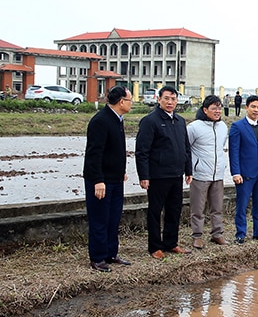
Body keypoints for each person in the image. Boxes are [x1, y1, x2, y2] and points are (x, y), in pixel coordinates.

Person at [135, 85, 193, 259]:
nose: (170, 102)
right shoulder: (150, 121)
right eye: (166, 98)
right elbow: (142, 151)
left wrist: (188, 169)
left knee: (174, 210)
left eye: (173, 99)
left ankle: (171, 243)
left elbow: (186, 148)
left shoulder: (180, 121)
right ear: (158, 99)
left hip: (176, 174)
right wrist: (144, 175)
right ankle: (155, 246)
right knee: (155, 211)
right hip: (158, 175)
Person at [83, 85, 134, 272]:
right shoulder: (101, 121)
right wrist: (98, 180)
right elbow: (94, 154)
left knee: (113, 218)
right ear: (121, 101)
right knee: (100, 219)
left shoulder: (117, 119)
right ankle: (97, 257)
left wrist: (121, 170)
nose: (131, 104)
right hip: (100, 181)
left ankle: (111, 253)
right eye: (130, 101)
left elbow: (115, 151)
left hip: (115, 179)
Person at [228, 95, 258, 242]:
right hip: (245, 174)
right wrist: (235, 172)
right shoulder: (237, 126)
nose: (256, 110)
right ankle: (240, 234)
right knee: (242, 206)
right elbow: (234, 151)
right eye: (253, 107)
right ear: (246, 108)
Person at [187, 95, 229, 249]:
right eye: (214, 108)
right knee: (198, 208)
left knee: (217, 207)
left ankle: (217, 234)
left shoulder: (223, 127)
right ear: (205, 110)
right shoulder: (194, 127)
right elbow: (187, 148)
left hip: (218, 174)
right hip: (200, 174)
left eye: (219, 108)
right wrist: (190, 168)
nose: (217, 111)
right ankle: (197, 236)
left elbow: (221, 146)